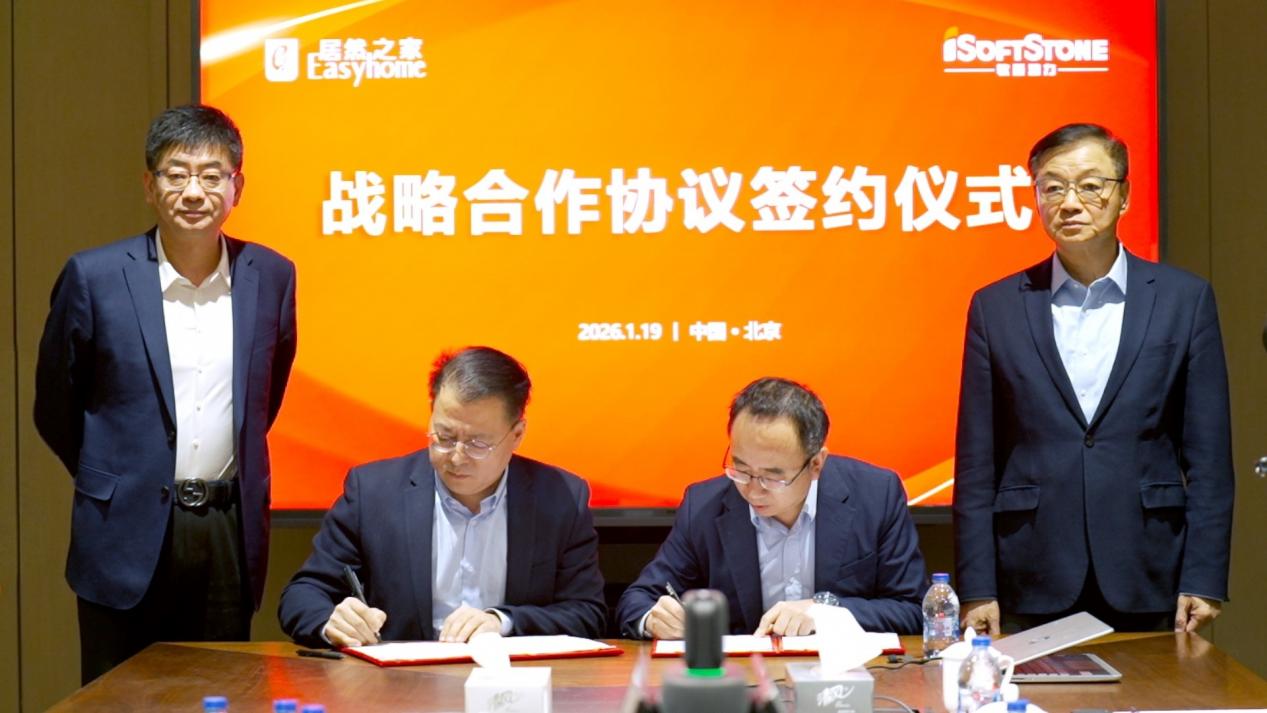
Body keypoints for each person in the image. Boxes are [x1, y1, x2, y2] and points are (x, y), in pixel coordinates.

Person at [34, 105, 298, 683]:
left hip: (226, 530)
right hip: (122, 527)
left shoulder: (272, 276)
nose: (194, 192)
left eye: (211, 175)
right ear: (150, 186)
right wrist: (118, 473)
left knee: (219, 692)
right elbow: (55, 404)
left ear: (237, 188)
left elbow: (265, 399)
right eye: (176, 174)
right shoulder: (95, 277)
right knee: (119, 698)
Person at [953, 123, 1234, 635]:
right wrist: (977, 587)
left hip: (1149, 565)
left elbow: (1209, 458)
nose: (1069, 203)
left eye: (1090, 185)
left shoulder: (1184, 299)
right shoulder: (996, 307)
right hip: (1032, 567)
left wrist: (1205, 578)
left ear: (1123, 195)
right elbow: (976, 462)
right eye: (1052, 187)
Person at [278, 346, 606, 647]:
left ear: (517, 434)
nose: (457, 457)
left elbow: (586, 613)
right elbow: (303, 594)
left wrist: (502, 622)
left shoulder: (560, 498)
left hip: (512, 682)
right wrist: (332, 622)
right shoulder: (374, 492)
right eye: (444, 436)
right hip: (399, 683)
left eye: (478, 444)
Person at [616, 377, 927, 639]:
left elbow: (913, 609)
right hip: (743, 679)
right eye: (741, 469)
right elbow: (638, 600)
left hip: (845, 676)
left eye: (772, 477)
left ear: (816, 464)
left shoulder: (875, 495)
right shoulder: (704, 505)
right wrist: (653, 619)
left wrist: (826, 612)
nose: (752, 490)